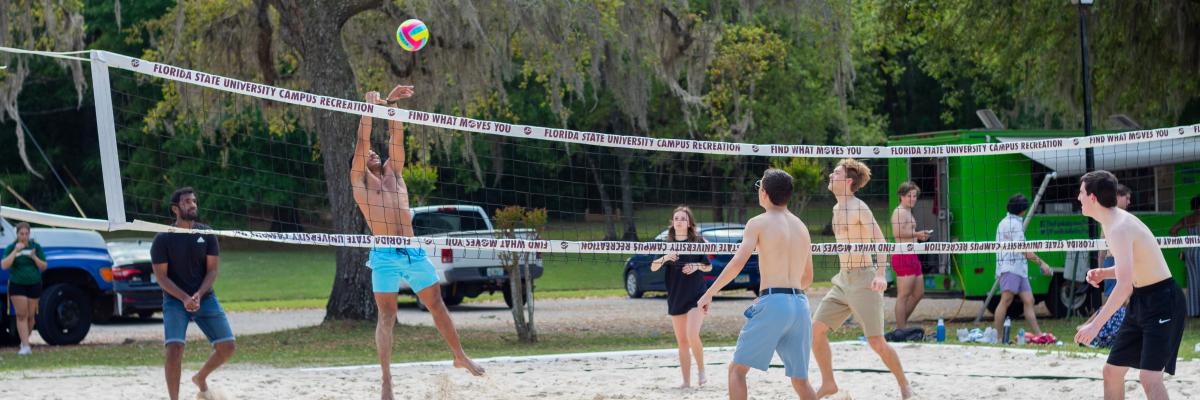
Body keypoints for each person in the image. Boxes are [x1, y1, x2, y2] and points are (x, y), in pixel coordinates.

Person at [351, 85, 484, 400]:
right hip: (384, 253)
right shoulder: (358, 180)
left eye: (374, 152)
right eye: (367, 154)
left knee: (436, 303)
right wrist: (369, 109)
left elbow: (397, 137)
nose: (372, 152)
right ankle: (386, 382)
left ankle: (459, 355)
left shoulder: (394, 175)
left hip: (412, 251)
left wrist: (393, 104)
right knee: (387, 316)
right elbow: (361, 142)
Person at [697, 169, 816, 400]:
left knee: (737, 371)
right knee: (801, 381)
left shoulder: (758, 223)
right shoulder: (802, 227)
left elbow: (736, 264)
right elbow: (808, 277)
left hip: (774, 302)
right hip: (800, 305)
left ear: (764, 193)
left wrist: (708, 293)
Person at [1075, 170, 1186, 400]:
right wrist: (1104, 273)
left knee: (1149, 378)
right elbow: (1133, 267)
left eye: (1081, 192)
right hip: (1142, 300)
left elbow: (1125, 286)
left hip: (1163, 300)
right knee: (1111, 372)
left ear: (1093, 198)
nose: (1078, 198)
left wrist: (1095, 326)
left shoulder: (1119, 227)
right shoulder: (1110, 223)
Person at [812, 159, 914, 399]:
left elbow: (880, 241)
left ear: (848, 181)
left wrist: (880, 274)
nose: (830, 175)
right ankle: (829, 384)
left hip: (864, 279)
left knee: (877, 342)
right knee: (815, 330)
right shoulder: (837, 209)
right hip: (842, 280)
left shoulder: (860, 207)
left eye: (835, 173)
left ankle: (904, 385)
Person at [150, 187, 235, 400]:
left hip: (204, 297)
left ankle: (200, 377)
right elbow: (162, 278)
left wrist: (197, 294)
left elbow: (212, 270)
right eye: (187, 202)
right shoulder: (162, 239)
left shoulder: (206, 233)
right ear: (175, 209)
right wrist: (185, 298)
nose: (193, 205)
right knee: (174, 349)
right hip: (175, 300)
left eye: (194, 201)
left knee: (228, 346)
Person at [650, 205, 712, 388]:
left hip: (697, 295)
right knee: (682, 341)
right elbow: (653, 267)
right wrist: (666, 257)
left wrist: (696, 267)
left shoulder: (697, 241)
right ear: (672, 222)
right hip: (676, 295)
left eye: (683, 218)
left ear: (689, 223)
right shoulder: (666, 243)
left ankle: (701, 371)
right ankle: (686, 382)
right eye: (676, 218)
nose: (679, 221)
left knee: (692, 335)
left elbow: (708, 266)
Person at [992, 193, 1054, 343]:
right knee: (1006, 300)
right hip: (1010, 267)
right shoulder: (1012, 224)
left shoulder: (1010, 222)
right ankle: (997, 337)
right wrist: (1042, 263)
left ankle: (1039, 334)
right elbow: (1024, 249)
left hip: (1019, 268)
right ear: (1023, 210)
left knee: (1029, 300)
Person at [889, 181, 930, 330]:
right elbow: (897, 234)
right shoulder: (899, 212)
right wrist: (917, 234)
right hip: (902, 255)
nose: (912, 199)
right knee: (903, 295)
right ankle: (901, 329)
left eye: (914, 196)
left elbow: (909, 234)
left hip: (912, 254)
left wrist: (918, 236)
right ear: (901, 196)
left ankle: (901, 326)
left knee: (919, 293)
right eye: (909, 196)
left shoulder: (908, 211)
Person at [2, 222, 47, 355]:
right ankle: (26, 347)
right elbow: (4, 265)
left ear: (29, 234)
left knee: (31, 316)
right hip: (17, 283)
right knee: (21, 314)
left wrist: (33, 257)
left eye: (26, 234)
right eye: (21, 234)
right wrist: (16, 251)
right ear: (17, 234)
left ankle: (24, 341)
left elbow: (44, 266)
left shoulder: (35, 247)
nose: (24, 236)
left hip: (34, 283)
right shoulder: (11, 247)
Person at [1097, 184, 1132, 300]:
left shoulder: (1125, 217)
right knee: (1112, 297)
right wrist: (1100, 269)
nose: (1129, 202)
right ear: (1117, 197)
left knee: (1125, 296)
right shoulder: (1108, 216)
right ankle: (1108, 318)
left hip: (1123, 260)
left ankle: (1119, 318)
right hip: (1112, 260)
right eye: (1126, 198)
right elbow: (1102, 248)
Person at [1168, 195, 1200, 318]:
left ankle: (1193, 311)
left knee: (1192, 281)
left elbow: (1172, 231)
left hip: (1190, 252)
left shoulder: (1187, 219)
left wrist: (1182, 245)